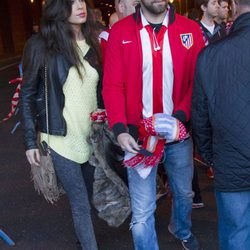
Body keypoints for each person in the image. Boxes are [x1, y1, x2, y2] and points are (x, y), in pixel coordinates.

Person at [103, 1, 204, 249]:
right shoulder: (121, 31)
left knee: (184, 194)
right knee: (142, 211)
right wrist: (119, 129)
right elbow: (112, 85)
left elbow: (197, 80)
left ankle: (180, 228)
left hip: (178, 135)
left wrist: (179, 116)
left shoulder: (189, 29)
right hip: (137, 138)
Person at [21, 0, 102, 249]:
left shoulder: (92, 42)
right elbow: (27, 94)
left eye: (82, 1)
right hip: (59, 137)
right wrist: (29, 141)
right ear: (58, 8)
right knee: (80, 203)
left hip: (90, 137)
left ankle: (82, 239)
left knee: (88, 198)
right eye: (72, 2)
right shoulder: (41, 45)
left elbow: (97, 89)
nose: (80, 6)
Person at [192, 0, 250, 249]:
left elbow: (200, 116)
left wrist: (210, 156)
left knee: (236, 235)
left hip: (229, 161)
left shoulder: (211, 54)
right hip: (228, 161)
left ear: (235, 5)